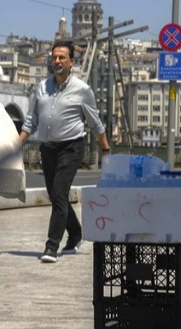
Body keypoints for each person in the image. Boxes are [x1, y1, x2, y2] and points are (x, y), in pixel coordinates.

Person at [18, 41, 111, 263]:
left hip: (71, 148)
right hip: (47, 148)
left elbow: (96, 123)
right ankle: (76, 233)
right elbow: (30, 121)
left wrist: (106, 150)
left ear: (71, 62)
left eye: (62, 58)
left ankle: (51, 247)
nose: (57, 61)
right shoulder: (42, 87)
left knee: (59, 193)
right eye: (54, 57)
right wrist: (15, 146)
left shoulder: (82, 90)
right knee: (55, 195)